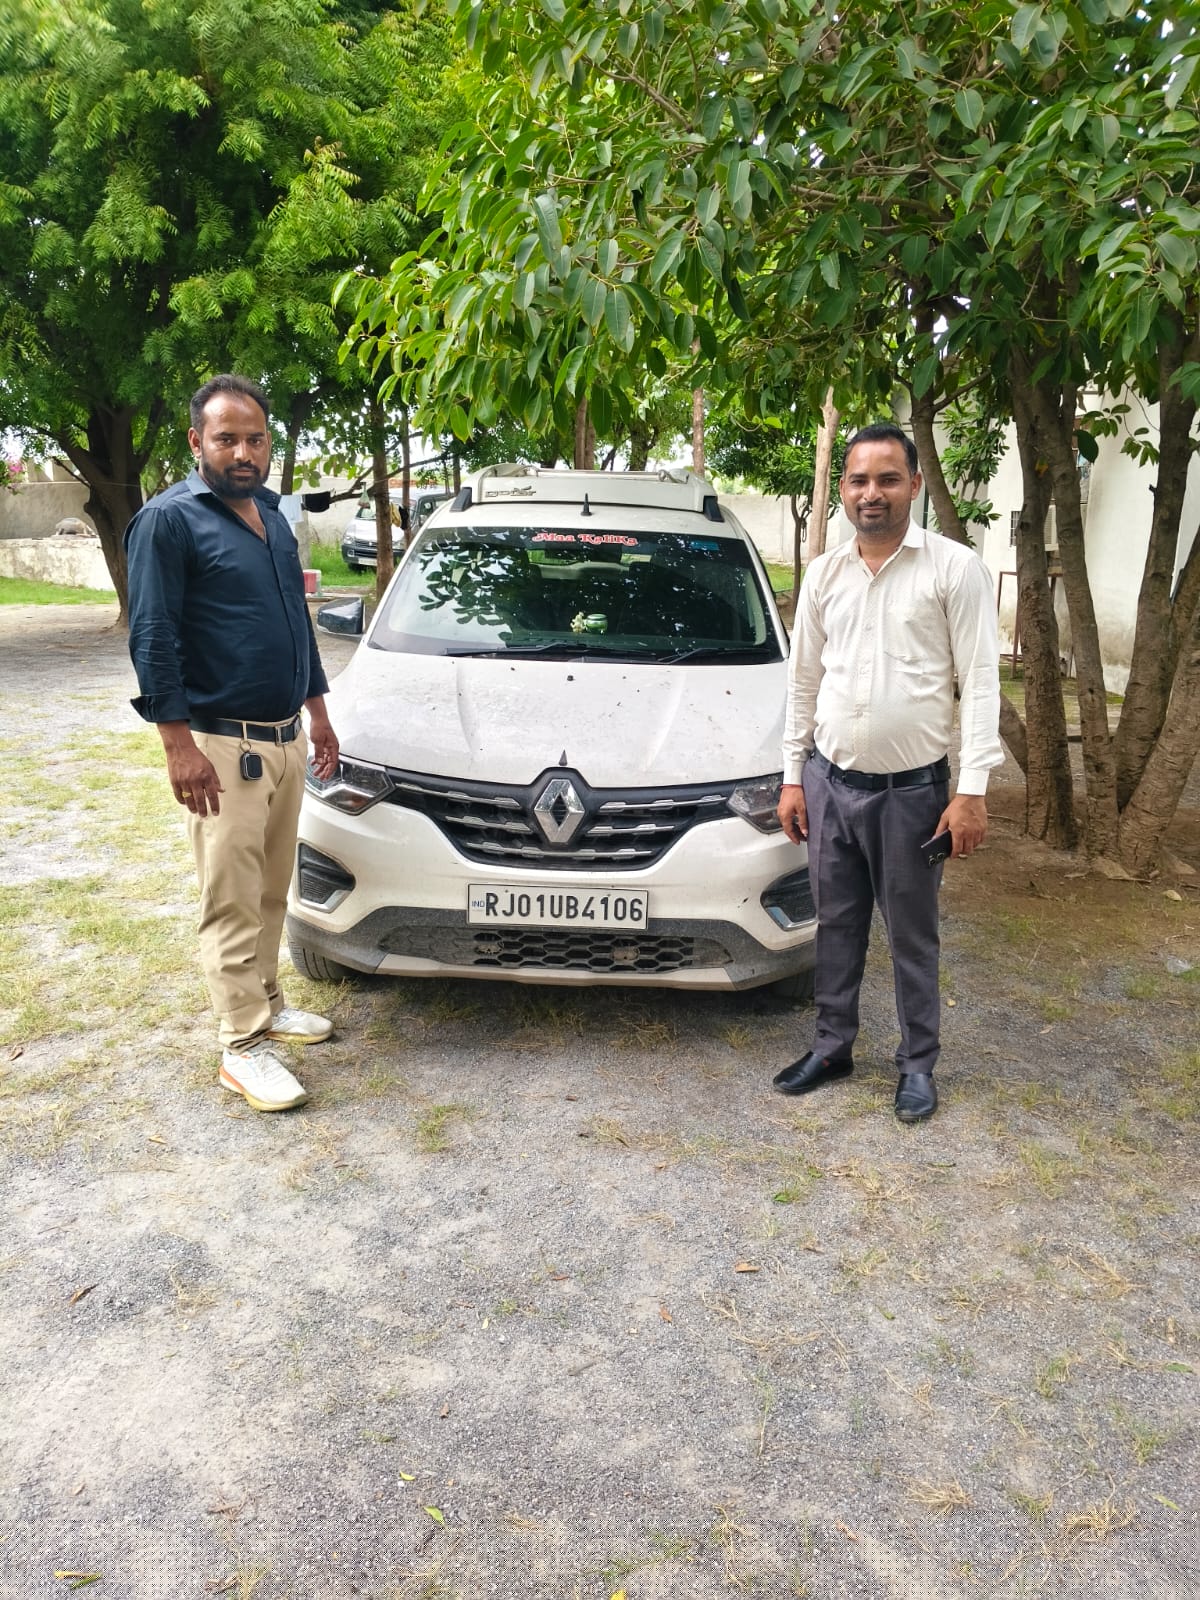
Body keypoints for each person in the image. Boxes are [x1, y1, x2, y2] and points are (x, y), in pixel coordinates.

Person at [772, 423, 1002, 1123]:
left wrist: (972, 791)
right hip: (829, 785)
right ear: (842, 489)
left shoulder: (953, 569)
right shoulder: (825, 574)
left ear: (915, 485)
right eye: (859, 480)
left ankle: (918, 1064)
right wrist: (792, 775)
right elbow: (803, 681)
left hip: (913, 795)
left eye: (888, 479)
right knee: (836, 925)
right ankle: (832, 1046)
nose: (871, 493)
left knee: (911, 935)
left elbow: (981, 681)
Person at [126, 375, 340, 1113]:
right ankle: (241, 1045)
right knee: (230, 898)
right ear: (197, 442)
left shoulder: (273, 517)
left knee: (272, 887)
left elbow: (296, 625)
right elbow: (153, 636)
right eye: (226, 439)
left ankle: (268, 1004)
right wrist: (177, 746)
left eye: (254, 439)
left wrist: (318, 714)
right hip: (220, 747)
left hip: (283, 739)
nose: (242, 452)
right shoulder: (169, 521)